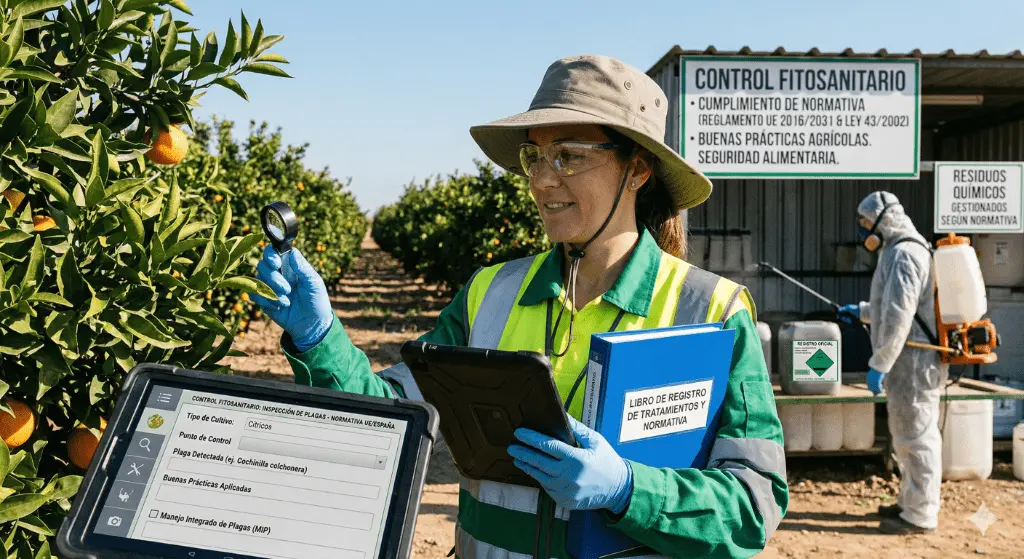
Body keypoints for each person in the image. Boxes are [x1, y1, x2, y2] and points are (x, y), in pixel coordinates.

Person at [250, 54, 787, 558]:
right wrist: (320, 338)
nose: (542, 180)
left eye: (570, 156)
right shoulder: (490, 293)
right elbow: (392, 419)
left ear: (637, 170)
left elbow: (752, 504)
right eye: (535, 157)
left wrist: (629, 489)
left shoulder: (711, 311)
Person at [837, 191, 946, 535]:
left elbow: (900, 315)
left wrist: (880, 363)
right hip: (907, 360)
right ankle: (909, 502)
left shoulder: (906, 254)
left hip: (915, 362)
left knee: (917, 437)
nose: (864, 229)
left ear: (884, 220)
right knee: (905, 435)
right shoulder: (895, 250)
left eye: (866, 222)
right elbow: (890, 305)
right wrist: (862, 312)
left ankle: (921, 515)